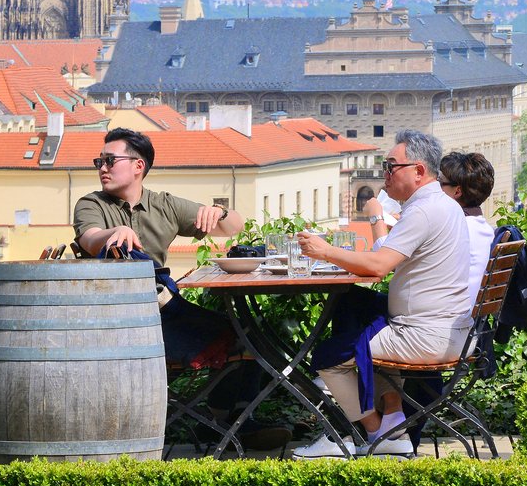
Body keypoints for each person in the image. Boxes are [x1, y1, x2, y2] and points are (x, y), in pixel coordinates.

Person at [73, 127, 289, 450]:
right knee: (236, 337)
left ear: (138, 166)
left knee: (249, 333)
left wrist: (219, 212)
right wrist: (112, 233)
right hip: (119, 320)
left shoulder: (165, 205)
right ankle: (226, 424)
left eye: (109, 160)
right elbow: (89, 239)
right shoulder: (91, 204)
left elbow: (234, 227)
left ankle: (231, 420)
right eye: (98, 161)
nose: (102, 168)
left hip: (165, 310)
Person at [294, 130, 471, 458]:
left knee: (328, 357)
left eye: (391, 167)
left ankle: (371, 430)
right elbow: (383, 255)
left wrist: (325, 251)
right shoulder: (438, 204)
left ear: (418, 171)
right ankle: (392, 419)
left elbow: (378, 267)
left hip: (423, 335)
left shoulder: (424, 210)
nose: (384, 175)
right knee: (354, 304)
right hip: (447, 329)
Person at [438, 151, 496, 302]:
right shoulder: (484, 229)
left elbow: (395, 265)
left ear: (457, 191)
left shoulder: (456, 230)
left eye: (439, 182)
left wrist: (377, 218)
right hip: (466, 316)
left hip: (440, 319)